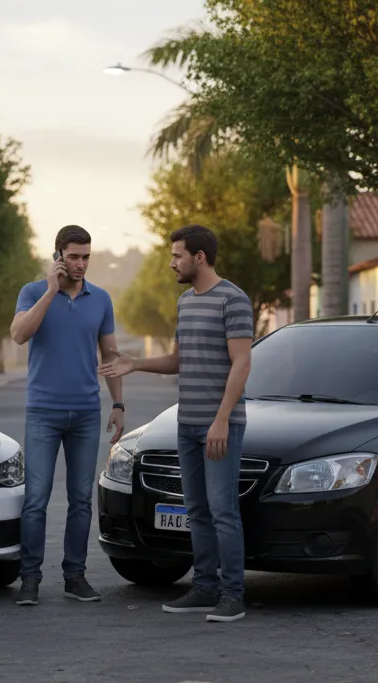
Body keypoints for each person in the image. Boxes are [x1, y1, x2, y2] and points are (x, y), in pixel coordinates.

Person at [99, 224, 253, 623]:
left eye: (177, 256)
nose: (172, 263)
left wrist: (221, 420)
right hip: (187, 425)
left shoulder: (232, 300)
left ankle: (232, 595)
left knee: (223, 511)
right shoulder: (185, 302)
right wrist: (135, 364)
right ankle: (204, 588)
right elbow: (176, 361)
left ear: (199, 257)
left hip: (220, 426)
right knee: (196, 510)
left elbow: (242, 363)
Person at [9, 225, 124, 606]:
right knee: (36, 498)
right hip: (43, 411)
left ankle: (75, 575)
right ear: (58, 255)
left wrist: (119, 405)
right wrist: (51, 291)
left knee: (81, 499)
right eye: (74, 256)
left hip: (87, 413)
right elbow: (19, 335)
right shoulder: (32, 292)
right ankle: (30, 578)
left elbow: (110, 357)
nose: (81, 264)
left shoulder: (101, 299)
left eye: (86, 256)